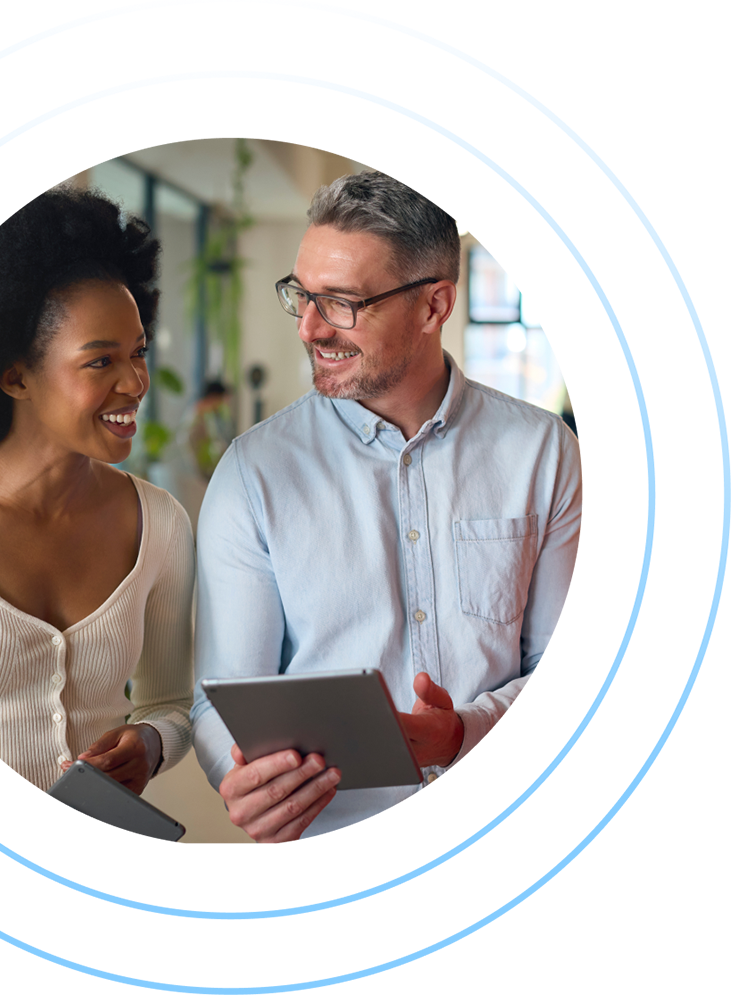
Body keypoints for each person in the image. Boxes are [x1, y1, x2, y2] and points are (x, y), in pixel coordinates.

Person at [191, 171, 586, 858]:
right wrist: (241, 778)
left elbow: (573, 672)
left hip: (509, 856)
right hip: (335, 870)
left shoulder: (540, 449)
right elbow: (218, 703)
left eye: (342, 303)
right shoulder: (253, 473)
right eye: (303, 297)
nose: (312, 328)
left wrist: (467, 733)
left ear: (434, 306)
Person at [0, 185, 194, 807]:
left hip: (100, 878)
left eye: (137, 353)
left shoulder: (160, 523)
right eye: (100, 361)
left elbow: (172, 704)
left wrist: (150, 741)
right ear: (15, 375)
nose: (136, 382)